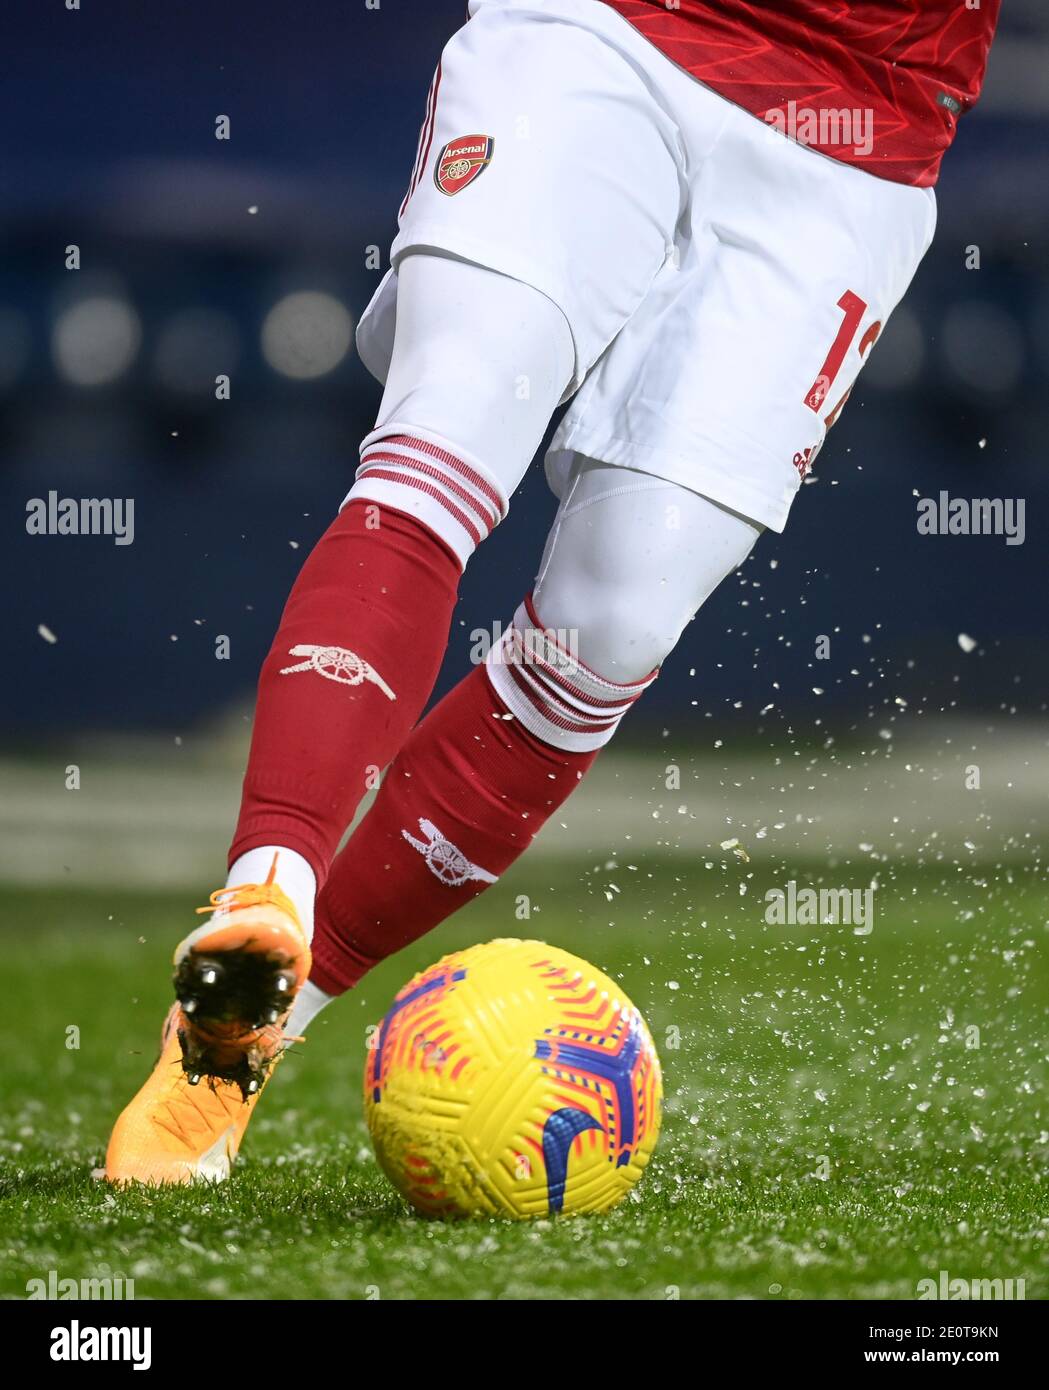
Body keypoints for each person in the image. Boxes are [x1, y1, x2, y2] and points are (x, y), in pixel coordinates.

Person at [106, 0, 1001, 1183]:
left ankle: (238, 1041)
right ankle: (268, 880)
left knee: (609, 628)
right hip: (607, 26)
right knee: (445, 433)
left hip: (858, 129)